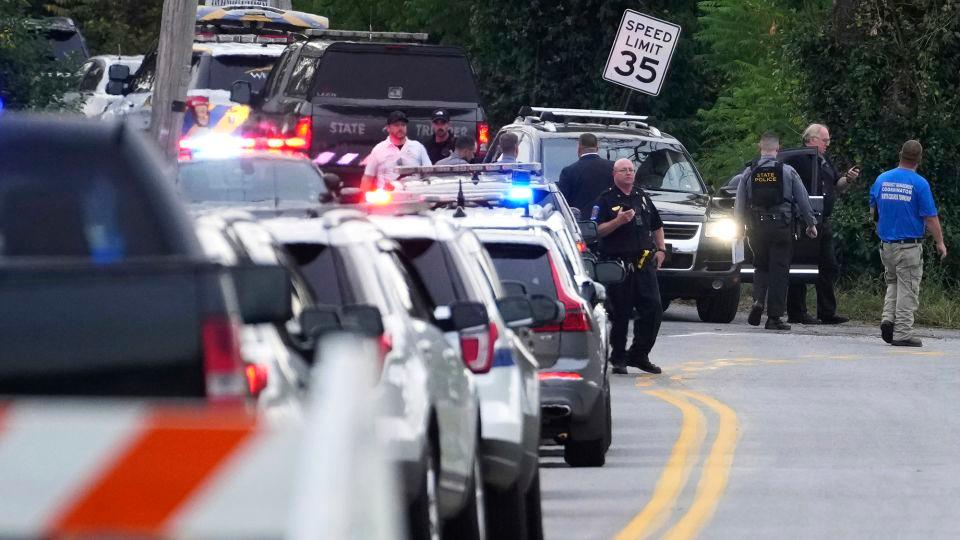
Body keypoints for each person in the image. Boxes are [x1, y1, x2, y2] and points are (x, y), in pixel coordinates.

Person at [735, 132, 818, 331]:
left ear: (760, 148)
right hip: (781, 227)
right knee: (779, 271)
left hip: (756, 227)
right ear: (778, 148)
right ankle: (774, 317)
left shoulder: (749, 172)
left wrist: (739, 227)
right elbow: (803, 200)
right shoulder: (788, 171)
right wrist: (811, 224)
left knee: (760, 266)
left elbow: (739, 202)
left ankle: (757, 301)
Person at [869, 140, 947, 347]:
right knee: (908, 288)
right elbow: (930, 218)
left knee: (893, 282)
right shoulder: (919, 184)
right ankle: (902, 332)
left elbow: (874, 212)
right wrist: (940, 242)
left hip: (887, 245)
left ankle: (888, 319)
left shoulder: (882, 179)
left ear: (900, 154)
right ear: (919, 159)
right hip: (909, 246)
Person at [593, 158, 666, 375]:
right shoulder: (605, 199)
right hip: (618, 265)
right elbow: (597, 230)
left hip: (643, 263)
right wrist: (618, 221)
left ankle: (639, 354)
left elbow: (657, 225)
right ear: (614, 174)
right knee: (620, 313)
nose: (628, 173)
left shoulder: (641, 197)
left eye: (631, 170)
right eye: (623, 170)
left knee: (653, 308)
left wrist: (661, 249)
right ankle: (618, 358)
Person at [786, 123, 861, 325]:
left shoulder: (825, 160)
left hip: (823, 220)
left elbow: (836, 185)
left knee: (829, 266)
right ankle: (796, 311)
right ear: (812, 139)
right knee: (801, 265)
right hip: (802, 220)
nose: (828, 144)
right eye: (825, 140)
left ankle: (826, 312)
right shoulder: (797, 159)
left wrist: (848, 179)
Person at [360, 111, 431, 192]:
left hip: (414, 195)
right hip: (386, 196)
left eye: (403, 125)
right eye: (396, 125)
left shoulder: (418, 147)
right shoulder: (378, 149)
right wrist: (363, 198)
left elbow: (429, 174)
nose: (400, 128)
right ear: (388, 128)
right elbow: (368, 178)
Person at [558, 133, 614, 218]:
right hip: (611, 221)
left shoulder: (568, 171)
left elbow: (562, 202)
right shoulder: (613, 167)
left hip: (581, 222)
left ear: (579, 149)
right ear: (597, 148)